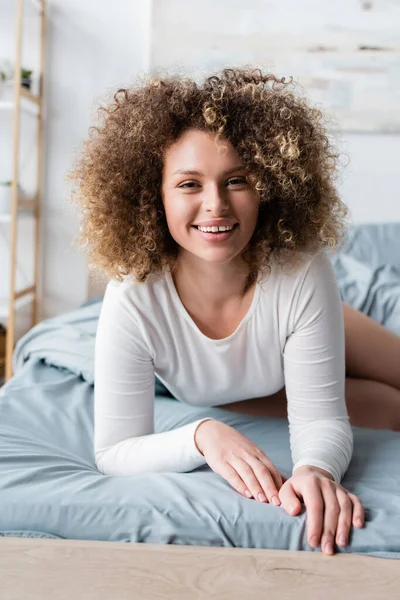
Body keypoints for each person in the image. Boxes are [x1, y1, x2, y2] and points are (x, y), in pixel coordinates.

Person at [68, 68, 400, 557]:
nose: (215, 205)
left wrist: (315, 470)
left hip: (319, 328)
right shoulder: (133, 296)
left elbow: (320, 421)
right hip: (241, 387)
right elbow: (114, 451)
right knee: (392, 411)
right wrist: (200, 435)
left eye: (237, 180)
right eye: (188, 184)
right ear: (152, 197)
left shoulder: (302, 272)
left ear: (267, 187)